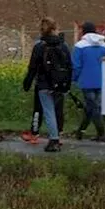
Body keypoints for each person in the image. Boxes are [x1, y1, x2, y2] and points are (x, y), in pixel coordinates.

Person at [23, 17, 73, 153]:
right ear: (55, 29)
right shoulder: (63, 46)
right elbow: (69, 66)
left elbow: (32, 68)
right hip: (60, 83)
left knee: (48, 111)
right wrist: (67, 84)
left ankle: (54, 139)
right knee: (57, 110)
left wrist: (27, 83)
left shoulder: (39, 46)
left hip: (44, 83)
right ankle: (58, 134)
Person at [71, 21, 105, 142]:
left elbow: (76, 66)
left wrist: (74, 79)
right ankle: (80, 131)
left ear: (83, 31)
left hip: (86, 80)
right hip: (101, 80)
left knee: (93, 107)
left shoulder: (79, 46)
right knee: (91, 106)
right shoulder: (104, 45)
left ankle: (101, 133)